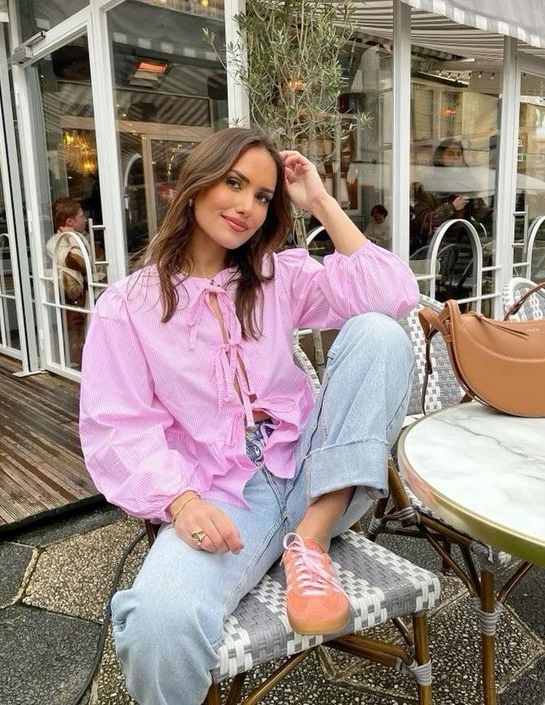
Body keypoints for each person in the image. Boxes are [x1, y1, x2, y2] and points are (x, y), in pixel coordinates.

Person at [78, 128, 419, 705]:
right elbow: (119, 426)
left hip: (321, 476)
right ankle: (291, 550)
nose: (246, 207)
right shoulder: (128, 307)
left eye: (262, 196)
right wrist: (181, 502)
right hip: (222, 498)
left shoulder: (276, 277)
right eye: (234, 183)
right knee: (158, 627)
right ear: (194, 185)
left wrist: (320, 200)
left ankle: (309, 542)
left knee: (379, 333)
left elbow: (393, 295)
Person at [46, 197, 105, 366]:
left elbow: (99, 256)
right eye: (81, 216)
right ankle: (82, 363)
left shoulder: (81, 237)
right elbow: (78, 262)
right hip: (76, 296)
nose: (85, 219)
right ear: (70, 221)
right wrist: (76, 240)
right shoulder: (58, 241)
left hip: (92, 292)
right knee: (79, 332)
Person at [411, 139, 492, 252]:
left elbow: (480, 211)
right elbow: (423, 221)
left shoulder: (467, 182)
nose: (456, 157)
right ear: (440, 157)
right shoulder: (428, 185)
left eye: (459, 154)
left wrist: (495, 215)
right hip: (437, 245)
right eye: (450, 153)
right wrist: (452, 207)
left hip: (465, 244)